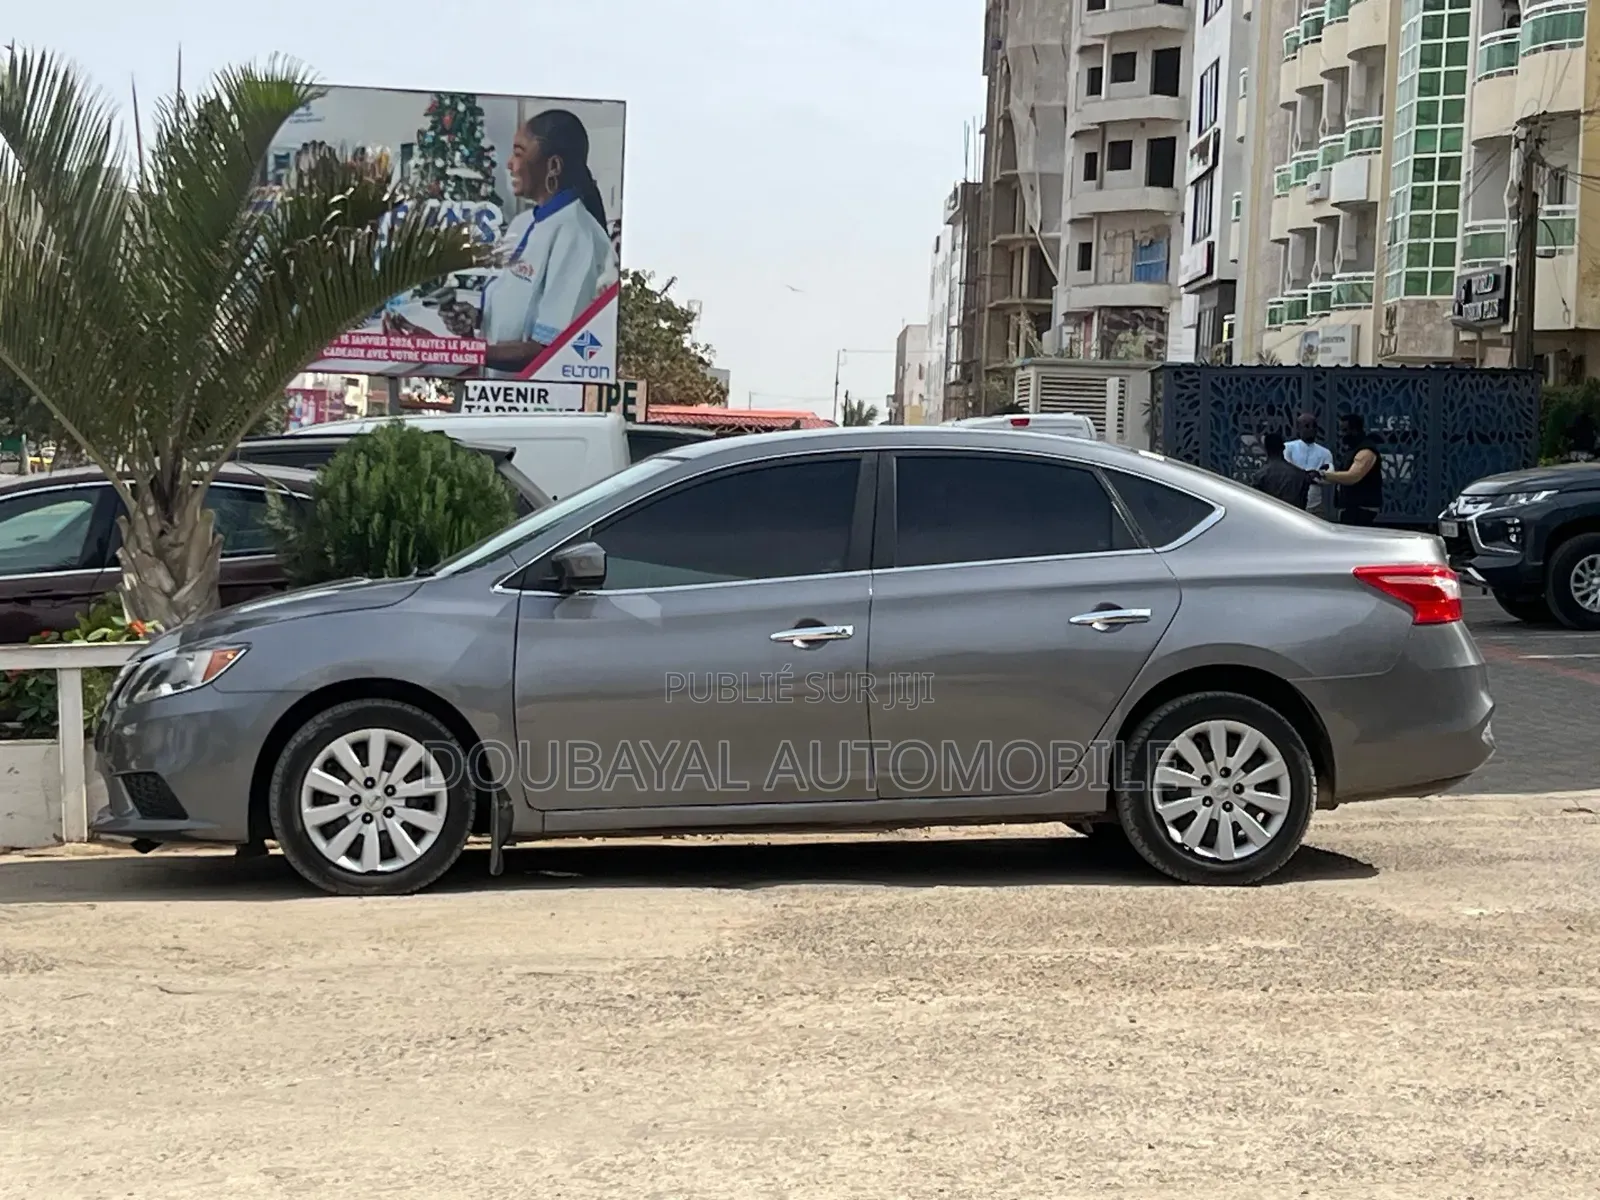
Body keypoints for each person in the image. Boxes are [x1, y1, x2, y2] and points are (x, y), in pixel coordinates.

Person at [425, 109, 615, 377]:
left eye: (518, 152)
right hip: (493, 400)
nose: (509, 164)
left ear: (553, 167)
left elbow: (549, 348)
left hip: (532, 412)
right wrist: (475, 319)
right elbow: (516, 317)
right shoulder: (522, 223)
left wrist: (453, 352)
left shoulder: (579, 236)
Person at [1319, 412, 1383, 525]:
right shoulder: (1353, 449)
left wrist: (1325, 475)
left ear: (1355, 430)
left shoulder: (1366, 451)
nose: (1340, 434)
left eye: (1344, 430)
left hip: (1362, 510)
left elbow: (1353, 476)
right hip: (1352, 509)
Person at [1282, 413, 1333, 514]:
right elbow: (1286, 471)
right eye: (1307, 426)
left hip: (1315, 505)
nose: (1311, 429)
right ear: (1298, 428)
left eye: (1314, 426)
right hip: (1291, 504)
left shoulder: (1325, 453)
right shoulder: (1288, 448)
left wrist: (1305, 476)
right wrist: (1311, 476)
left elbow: (1329, 477)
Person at [1253, 431, 1314, 508]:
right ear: (1283, 448)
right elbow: (1303, 502)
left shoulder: (1260, 475)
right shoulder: (1300, 475)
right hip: (1294, 516)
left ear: (1266, 449)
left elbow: (1256, 504)